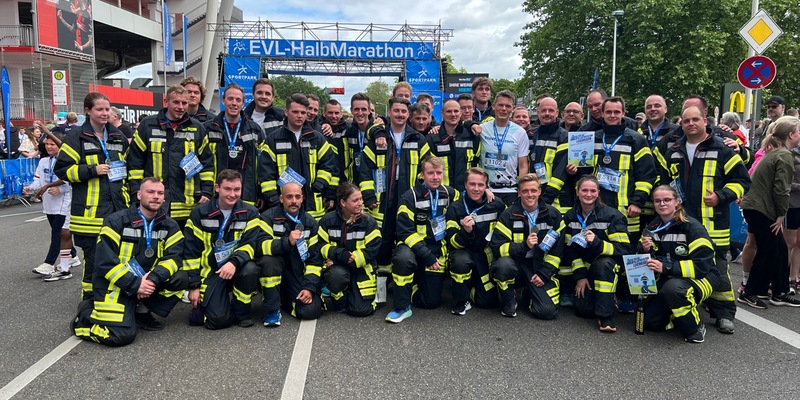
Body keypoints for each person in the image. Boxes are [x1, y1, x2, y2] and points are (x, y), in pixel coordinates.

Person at [659, 106, 751, 333]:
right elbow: (665, 181)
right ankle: (691, 303)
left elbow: (742, 181)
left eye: (695, 119)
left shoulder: (722, 149)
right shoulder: (674, 151)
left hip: (712, 222)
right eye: (686, 121)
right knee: (685, 263)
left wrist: (721, 196)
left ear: (704, 121)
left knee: (718, 267)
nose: (691, 124)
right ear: (681, 124)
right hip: (682, 221)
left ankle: (724, 314)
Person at [72, 178, 188, 346]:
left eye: (160, 193)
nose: (156, 196)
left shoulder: (170, 225)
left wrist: (152, 280)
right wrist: (135, 284)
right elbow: (105, 262)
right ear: (139, 195)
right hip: (117, 284)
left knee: (182, 278)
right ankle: (84, 318)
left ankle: (141, 311)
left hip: (148, 283)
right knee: (121, 336)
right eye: (151, 192)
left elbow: (174, 258)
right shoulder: (116, 221)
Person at [55, 92, 130, 300]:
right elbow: (62, 170)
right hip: (89, 215)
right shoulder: (76, 137)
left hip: (117, 209)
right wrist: (91, 170)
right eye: (100, 109)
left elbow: (130, 169)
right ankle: (89, 303)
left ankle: (116, 301)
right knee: (94, 262)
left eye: (107, 109)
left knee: (119, 257)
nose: (105, 113)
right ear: (88, 111)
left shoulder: (118, 136)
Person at [183, 169, 263, 329]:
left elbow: (249, 244)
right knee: (218, 321)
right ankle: (208, 309)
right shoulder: (199, 213)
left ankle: (241, 313)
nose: (232, 194)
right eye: (227, 189)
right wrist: (194, 286)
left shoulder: (250, 212)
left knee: (251, 269)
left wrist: (233, 263)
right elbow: (191, 251)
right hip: (211, 271)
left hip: (237, 267)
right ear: (217, 188)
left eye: (237, 189)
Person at [640, 185, 719, 343]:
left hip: (702, 277)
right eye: (657, 201)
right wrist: (644, 250)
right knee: (651, 322)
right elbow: (643, 261)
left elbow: (702, 266)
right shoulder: (652, 227)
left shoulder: (692, 227)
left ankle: (695, 328)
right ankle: (676, 314)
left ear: (677, 202)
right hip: (670, 276)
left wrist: (666, 267)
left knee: (674, 289)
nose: (662, 204)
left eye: (667, 200)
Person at [128, 84, 214, 225]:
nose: (181, 107)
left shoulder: (197, 128)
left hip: (187, 205)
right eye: (176, 102)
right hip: (154, 203)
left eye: (184, 103)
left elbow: (207, 164)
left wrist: (206, 191)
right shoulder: (148, 125)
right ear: (166, 102)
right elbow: (135, 163)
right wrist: (136, 191)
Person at [387, 156, 459, 322]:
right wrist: (427, 256)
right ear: (422, 174)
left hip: (436, 249)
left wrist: (486, 192)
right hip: (412, 248)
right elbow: (405, 232)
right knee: (403, 259)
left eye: (439, 173)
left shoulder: (450, 193)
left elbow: (469, 199)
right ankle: (401, 307)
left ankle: (414, 284)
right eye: (430, 173)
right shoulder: (409, 197)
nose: (435, 177)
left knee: (430, 303)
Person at [358, 96, 425, 274]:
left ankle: (404, 278)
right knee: (383, 239)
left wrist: (419, 194)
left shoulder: (418, 139)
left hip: (408, 199)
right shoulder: (378, 139)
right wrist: (369, 196)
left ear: (408, 114)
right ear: (389, 112)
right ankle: (383, 279)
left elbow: (426, 170)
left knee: (406, 237)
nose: (400, 114)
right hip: (382, 199)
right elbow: (365, 171)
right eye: (396, 111)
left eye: (403, 111)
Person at [739, 116, 800, 308]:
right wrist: (781, 215)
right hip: (760, 209)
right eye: (799, 131)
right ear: (791, 135)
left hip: (758, 207)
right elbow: (781, 189)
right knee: (768, 251)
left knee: (779, 249)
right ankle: (749, 292)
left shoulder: (777, 152)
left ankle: (780, 292)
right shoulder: (785, 156)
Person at [489, 173, 563, 319]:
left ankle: (529, 293)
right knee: (503, 265)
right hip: (516, 264)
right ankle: (509, 301)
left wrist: (544, 274)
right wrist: (524, 246)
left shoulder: (553, 215)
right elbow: (498, 247)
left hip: (539, 266)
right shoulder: (508, 214)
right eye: (525, 191)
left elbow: (557, 252)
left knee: (546, 312)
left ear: (539, 191)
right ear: (519, 192)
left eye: (533, 190)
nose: (530, 195)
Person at [562, 175, 631, 332]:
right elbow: (570, 250)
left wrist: (598, 244)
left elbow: (624, 250)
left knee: (603, 264)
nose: (588, 194)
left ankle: (605, 317)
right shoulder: (570, 216)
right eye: (584, 190)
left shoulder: (613, 216)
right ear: (577, 192)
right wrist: (580, 276)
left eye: (593, 191)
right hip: (587, 269)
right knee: (583, 311)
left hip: (609, 266)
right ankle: (603, 299)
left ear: (598, 193)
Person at [255, 182, 324, 326]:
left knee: (311, 310)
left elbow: (314, 261)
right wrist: (287, 242)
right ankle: (272, 309)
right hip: (274, 270)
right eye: (289, 197)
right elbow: (260, 246)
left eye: (297, 197)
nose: (294, 201)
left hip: (296, 273)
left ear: (302, 198)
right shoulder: (267, 218)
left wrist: (309, 288)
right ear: (281, 199)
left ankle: (284, 300)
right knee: (269, 261)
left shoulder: (310, 223)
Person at [262, 93, 338, 219]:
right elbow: (266, 174)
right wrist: (274, 200)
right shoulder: (273, 139)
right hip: (283, 207)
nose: (300, 116)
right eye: (295, 112)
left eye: (303, 112)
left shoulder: (317, 138)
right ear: (286, 112)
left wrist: (319, 186)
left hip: (313, 207)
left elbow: (329, 165)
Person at [446, 167, 506, 313]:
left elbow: (511, 218)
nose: (476, 189)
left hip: (484, 256)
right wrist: (466, 232)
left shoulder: (496, 204)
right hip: (463, 252)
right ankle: (461, 300)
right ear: (465, 185)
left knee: (487, 302)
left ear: (486, 186)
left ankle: (472, 288)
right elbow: (452, 242)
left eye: (481, 185)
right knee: (460, 261)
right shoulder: (455, 208)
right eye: (472, 184)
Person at [318, 182, 382, 316]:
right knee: (336, 277)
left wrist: (351, 259)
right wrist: (341, 255)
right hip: (338, 270)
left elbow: (373, 249)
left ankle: (353, 295)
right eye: (355, 200)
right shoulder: (327, 221)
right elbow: (320, 245)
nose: (361, 203)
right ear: (343, 202)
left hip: (362, 269)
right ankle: (341, 300)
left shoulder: (369, 222)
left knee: (361, 310)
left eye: (361, 199)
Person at [203, 83, 267, 209]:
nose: (234, 103)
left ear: (243, 103)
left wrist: (261, 193)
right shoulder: (208, 128)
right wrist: (205, 191)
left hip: (247, 194)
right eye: (230, 99)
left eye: (238, 100)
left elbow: (263, 164)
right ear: (223, 101)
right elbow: (203, 162)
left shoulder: (255, 130)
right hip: (216, 194)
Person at [26, 135, 80, 280]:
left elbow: (71, 180)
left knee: (58, 233)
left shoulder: (66, 161)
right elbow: (38, 180)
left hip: (64, 203)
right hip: (48, 202)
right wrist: (30, 188)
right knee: (61, 234)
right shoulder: (43, 161)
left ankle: (48, 264)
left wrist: (60, 189)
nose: (49, 147)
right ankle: (72, 255)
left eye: (52, 144)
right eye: (47, 144)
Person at [478, 90, 530, 206]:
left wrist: (521, 189)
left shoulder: (520, 132)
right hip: (486, 189)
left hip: (510, 190)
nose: (503, 109)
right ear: (494, 106)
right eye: (500, 105)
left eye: (508, 106)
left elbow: (523, 165)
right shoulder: (482, 129)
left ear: (513, 109)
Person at [421, 99, 481, 192]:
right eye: (449, 111)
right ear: (442, 114)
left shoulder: (472, 136)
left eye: (456, 111)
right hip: (441, 193)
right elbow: (424, 169)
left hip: (466, 192)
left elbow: (478, 166)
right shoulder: (432, 139)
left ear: (460, 113)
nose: (453, 114)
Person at [528, 97, 569, 214]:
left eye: (551, 110)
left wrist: (547, 196)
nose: (547, 113)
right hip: (532, 195)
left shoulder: (564, 136)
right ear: (538, 112)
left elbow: (561, 169)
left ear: (557, 113)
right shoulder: (531, 135)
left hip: (555, 198)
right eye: (543, 110)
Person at [343, 93, 386, 184]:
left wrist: (380, 134)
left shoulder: (379, 130)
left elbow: (380, 128)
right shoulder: (349, 132)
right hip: (355, 182)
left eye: (363, 109)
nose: (360, 113)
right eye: (356, 109)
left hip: (376, 182)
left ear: (369, 111)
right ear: (351, 110)